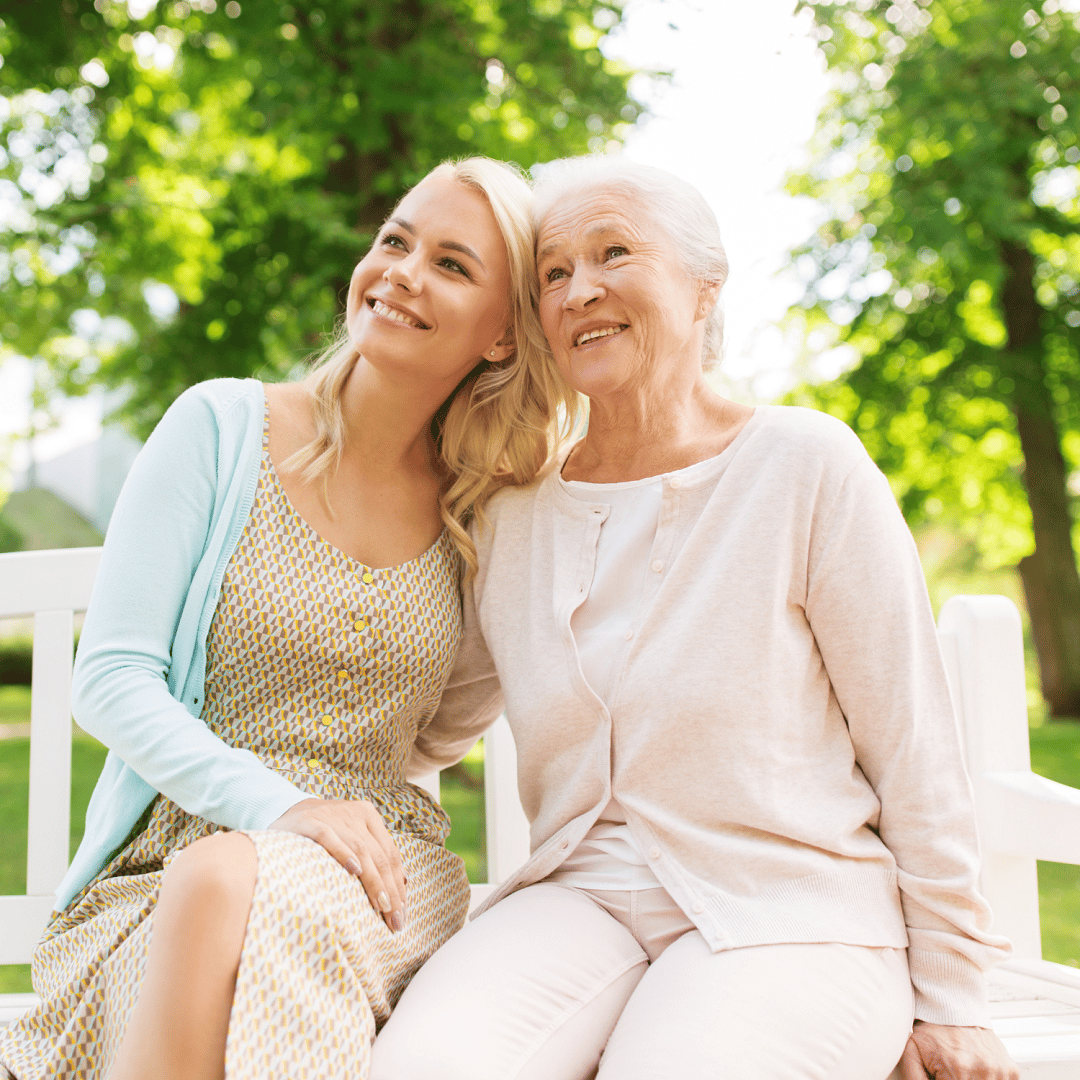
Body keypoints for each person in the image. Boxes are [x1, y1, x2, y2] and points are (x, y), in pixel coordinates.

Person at [369, 157, 1020, 1080]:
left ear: (705, 287)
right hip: (578, 899)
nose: (579, 289)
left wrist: (955, 998)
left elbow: (913, 746)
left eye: (614, 252)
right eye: (553, 273)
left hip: (791, 908)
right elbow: (429, 727)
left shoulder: (804, 465)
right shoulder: (516, 514)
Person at [0, 156, 577, 1080]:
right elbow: (110, 679)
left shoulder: (482, 513)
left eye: (452, 265)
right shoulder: (220, 429)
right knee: (222, 881)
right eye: (396, 240)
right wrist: (282, 807)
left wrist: (319, 819)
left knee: (250, 893)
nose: (401, 272)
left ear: (503, 337)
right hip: (165, 867)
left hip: (376, 873)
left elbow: (442, 731)